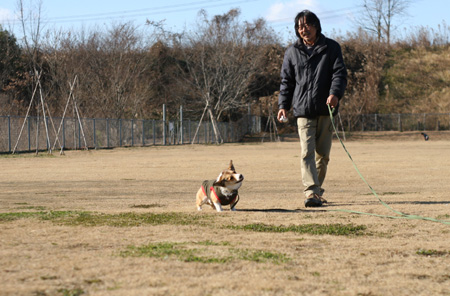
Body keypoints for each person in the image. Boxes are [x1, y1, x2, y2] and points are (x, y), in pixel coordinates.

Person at [277, 10, 347, 207]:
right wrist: (283, 105)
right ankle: (310, 192)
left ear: (316, 26)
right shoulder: (291, 52)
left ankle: (316, 191)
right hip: (303, 111)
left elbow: (339, 74)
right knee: (306, 152)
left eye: (307, 25)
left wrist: (335, 94)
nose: (303, 29)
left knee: (323, 155)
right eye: (299, 27)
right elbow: (286, 81)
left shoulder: (331, 48)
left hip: (326, 110)